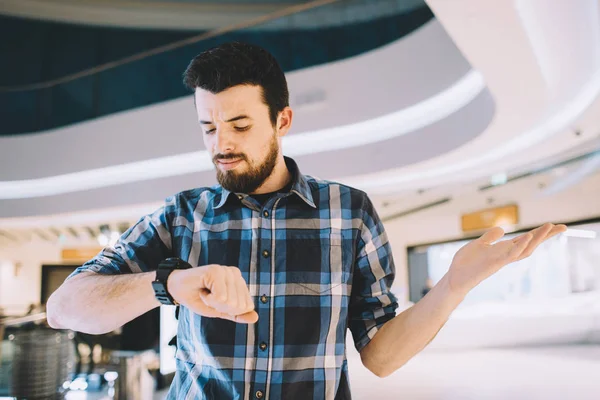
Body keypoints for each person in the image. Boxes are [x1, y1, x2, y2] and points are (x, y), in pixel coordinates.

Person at [46, 42, 567, 400]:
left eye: (240, 125)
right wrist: (170, 284)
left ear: (283, 121)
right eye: (207, 128)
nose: (220, 145)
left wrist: (453, 285)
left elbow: (381, 357)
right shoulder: (183, 215)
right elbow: (65, 308)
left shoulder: (350, 213)